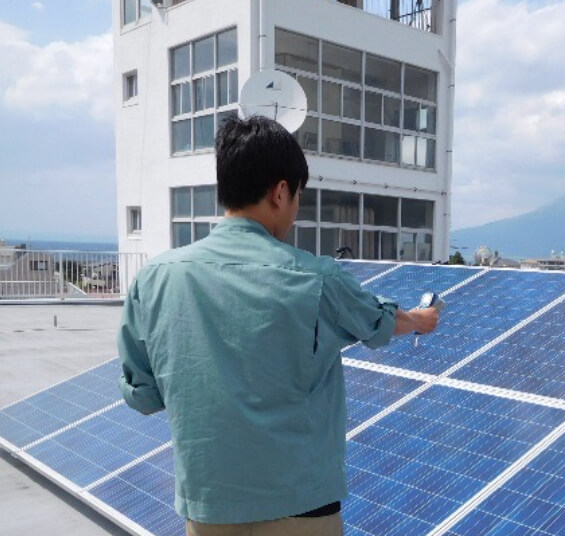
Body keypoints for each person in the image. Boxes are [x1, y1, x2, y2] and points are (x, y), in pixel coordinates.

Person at [118, 116, 439, 536]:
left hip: (209, 505)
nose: (293, 213)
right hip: (301, 505)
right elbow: (379, 322)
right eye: (297, 198)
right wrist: (420, 319)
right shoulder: (317, 278)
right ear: (281, 191)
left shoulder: (155, 278)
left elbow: (142, 396)